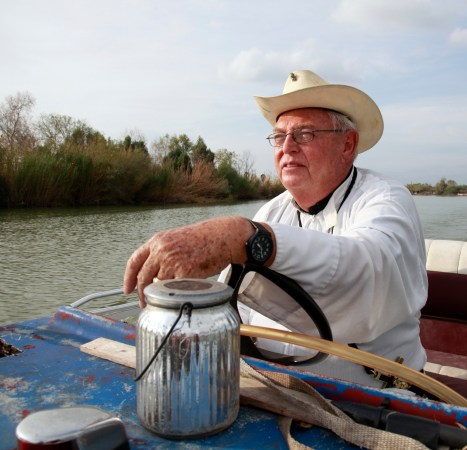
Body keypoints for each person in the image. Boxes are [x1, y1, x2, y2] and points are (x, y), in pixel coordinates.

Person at [124, 69, 428, 388]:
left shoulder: (386, 199)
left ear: (347, 145)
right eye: (279, 136)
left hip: (376, 399)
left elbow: (368, 267)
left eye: (305, 134)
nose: (288, 147)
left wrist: (249, 238)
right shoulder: (273, 210)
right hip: (273, 386)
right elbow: (233, 297)